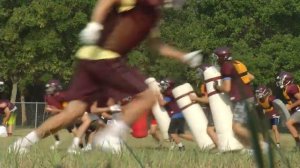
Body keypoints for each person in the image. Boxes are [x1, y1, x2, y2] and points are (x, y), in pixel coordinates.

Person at [10, 0, 202, 153]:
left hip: (90, 57)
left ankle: (23, 143)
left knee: (73, 111)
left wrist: (183, 56)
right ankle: (110, 137)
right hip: (105, 58)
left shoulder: (152, 14)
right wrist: (94, 25)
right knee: (149, 95)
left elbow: (156, 46)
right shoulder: (141, 3)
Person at [212, 47, 255, 148]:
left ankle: (260, 145)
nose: (216, 59)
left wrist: (217, 87)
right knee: (244, 127)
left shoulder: (225, 67)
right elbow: (251, 77)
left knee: (237, 128)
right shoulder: (236, 63)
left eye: (217, 57)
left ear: (222, 57)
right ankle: (250, 148)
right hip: (249, 97)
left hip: (242, 99)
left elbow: (226, 88)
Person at [159, 79, 193, 151]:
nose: (161, 88)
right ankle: (198, 140)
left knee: (171, 132)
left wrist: (158, 96)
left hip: (176, 115)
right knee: (180, 134)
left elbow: (162, 103)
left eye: (163, 86)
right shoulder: (172, 93)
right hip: (180, 114)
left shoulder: (169, 94)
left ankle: (181, 147)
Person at [276, 71, 300, 149]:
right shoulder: (287, 89)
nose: (279, 82)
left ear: (287, 80)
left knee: (289, 123)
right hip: (296, 110)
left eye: (281, 80)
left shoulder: (291, 88)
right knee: (296, 128)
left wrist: (291, 106)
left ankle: (298, 144)